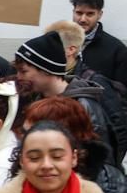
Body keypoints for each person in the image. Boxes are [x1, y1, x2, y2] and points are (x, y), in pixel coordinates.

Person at [15, 31, 121, 164]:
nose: (18, 77)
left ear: (46, 69)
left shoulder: (84, 105)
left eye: (23, 71)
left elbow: (101, 161)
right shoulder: (36, 100)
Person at [71, 0, 127, 88]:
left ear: (100, 15)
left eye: (90, 14)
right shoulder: (57, 40)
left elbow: (122, 91)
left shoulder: (117, 50)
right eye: (79, 13)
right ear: (73, 12)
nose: (83, 19)